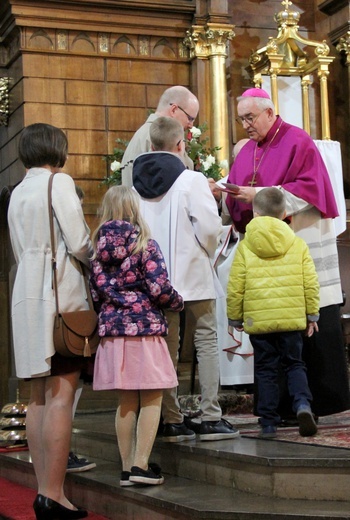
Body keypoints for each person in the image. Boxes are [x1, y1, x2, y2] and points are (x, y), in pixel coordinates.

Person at [225, 87, 350, 419]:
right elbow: (239, 190)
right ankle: (278, 407)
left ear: (269, 112)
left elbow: (311, 188)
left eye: (250, 117)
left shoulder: (297, 141)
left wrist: (261, 195)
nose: (246, 125)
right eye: (241, 119)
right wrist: (229, 192)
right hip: (266, 257)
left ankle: (322, 399)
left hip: (301, 240)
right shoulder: (247, 149)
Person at [133, 116, 240, 441]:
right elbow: (208, 229)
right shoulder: (191, 179)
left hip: (156, 279)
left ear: (151, 146)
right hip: (192, 274)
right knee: (206, 340)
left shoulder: (136, 184)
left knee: (167, 346)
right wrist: (208, 253)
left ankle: (172, 419)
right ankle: (209, 416)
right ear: (180, 145)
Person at [8, 123, 92, 519]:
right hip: (57, 294)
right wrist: (97, 254)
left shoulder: (17, 191)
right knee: (61, 394)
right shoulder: (58, 183)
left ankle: (44, 490)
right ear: (56, 149)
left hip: (25, 292)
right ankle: (54, 493)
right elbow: (78, 243)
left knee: (37, 398)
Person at [90, 185, 184, 486]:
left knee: (126, 400)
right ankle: (142, 466)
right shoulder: (145, 244)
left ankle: (127, 467)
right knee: (153, 395)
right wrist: (177, 302)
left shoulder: (96, 250)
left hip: (113, 333)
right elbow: (159, 288)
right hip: (144, 328)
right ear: (133, 210)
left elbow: (95, 293)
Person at [227, 187, 319, 438]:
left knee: (266, 369)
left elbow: (236, 285)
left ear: (255, 213)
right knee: (295, 364)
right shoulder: (297, 243)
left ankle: (268, 422)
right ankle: (302, 404)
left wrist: (234, 317)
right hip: (291, 319)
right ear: (285, 213)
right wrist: (312, 314)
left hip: (260, 320)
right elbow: (310, 282)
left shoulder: (246, 246)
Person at [66, 184, 97, 474]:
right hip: (73, 313)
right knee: (69, 386)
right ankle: (62, 452)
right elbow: (83, 252)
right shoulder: (72, 227)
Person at [121, 85, 199, 186]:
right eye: (190, 118)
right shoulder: (158, 136)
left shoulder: (146, 132)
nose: (191, 125)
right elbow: (165, 185)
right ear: (174, 110)